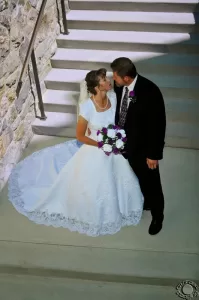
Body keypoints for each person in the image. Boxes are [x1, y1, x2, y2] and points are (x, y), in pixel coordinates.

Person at [8, 68, 143, 237]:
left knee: (122, 170)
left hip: (112, 147)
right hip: (95, 146)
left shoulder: (114, 99)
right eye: (104, 80)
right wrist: (102, 144)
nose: (108, 81)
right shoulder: (87, 107)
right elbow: (80, 135)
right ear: (96, 87)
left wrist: (116, 139)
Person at [110, 57, 166, 235]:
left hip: (144, 151)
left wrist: (153, 154)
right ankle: (145, 202)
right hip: (124, 147)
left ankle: (158, 216)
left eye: (116, 77)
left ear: (126, 77)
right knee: (134, 178)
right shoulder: (120, 88)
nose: (114, 80)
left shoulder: (150, 91)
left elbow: (158, 125)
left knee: (152, 183)